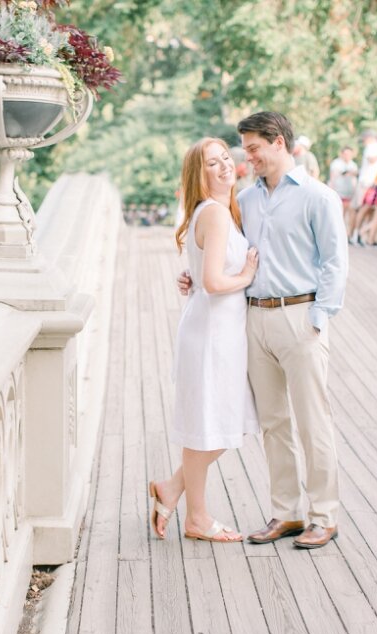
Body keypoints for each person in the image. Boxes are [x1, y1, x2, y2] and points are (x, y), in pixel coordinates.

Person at [179, 111, 348, 548]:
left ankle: (323, 515)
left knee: (313, 421)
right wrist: (192, 279)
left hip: (300, 317)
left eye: (253, 149)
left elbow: (334, 263)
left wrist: (319, 316)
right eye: (245, 150)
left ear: (279, 144)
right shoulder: (246, 201)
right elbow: (219, 253)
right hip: (253, 318)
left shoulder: (318, 196)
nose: (246, 158)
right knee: (274, 422)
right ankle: (286, 513)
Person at [148, 137, 260, 543]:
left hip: (219, 331)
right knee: (210, 427)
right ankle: (197, 517)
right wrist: (245, 278)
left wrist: (194, 279)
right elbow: (214, 282)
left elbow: (203, 274)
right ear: (200, 175)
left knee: (224, 424)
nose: (224, 166)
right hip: (213, 334)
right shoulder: (213, 214)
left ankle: (172, 489)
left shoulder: (220, 211)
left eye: (226, 158)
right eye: (213, 164)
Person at [348, 130, 377, 245]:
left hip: (371, 183)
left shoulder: (374, 147)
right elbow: (371, 160)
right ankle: (354, 234)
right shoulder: (373, 147)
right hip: (366, 183)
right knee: (360, 208)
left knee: (367, 209)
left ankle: (359, 235)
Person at [328, 146, 358, 226]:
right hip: (339, 192)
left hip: (350, 194)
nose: (347, 156)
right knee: (340, 214)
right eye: (345, 154)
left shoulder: (353, 165)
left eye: (349, 154)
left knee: (351, 213)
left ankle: (349, 234)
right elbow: (333, 177)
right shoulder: (336, 164)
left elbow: (354, 179)